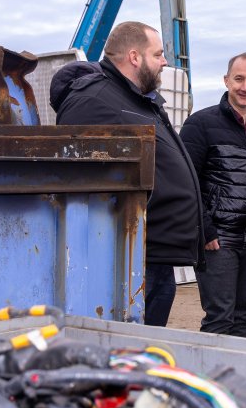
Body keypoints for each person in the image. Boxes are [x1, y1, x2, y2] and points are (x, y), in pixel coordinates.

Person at [49, 21, 204, 326]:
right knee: (127, 343)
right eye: (158, 54)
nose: (164, 62)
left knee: (146, 343)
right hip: (128, 255)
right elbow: (78, 182)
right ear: (135, 57)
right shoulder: (92, 100)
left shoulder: (137, 99)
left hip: (152, 253)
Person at [179, 52, 246, 337]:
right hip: (219, 240)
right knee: (220, 319)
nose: (245, 87)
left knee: (242, 319)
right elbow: (185, 182)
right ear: (226, 80)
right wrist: (204, 229)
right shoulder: (200, 124)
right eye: (239, 79)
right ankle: (209, 368)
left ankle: (235, 368)